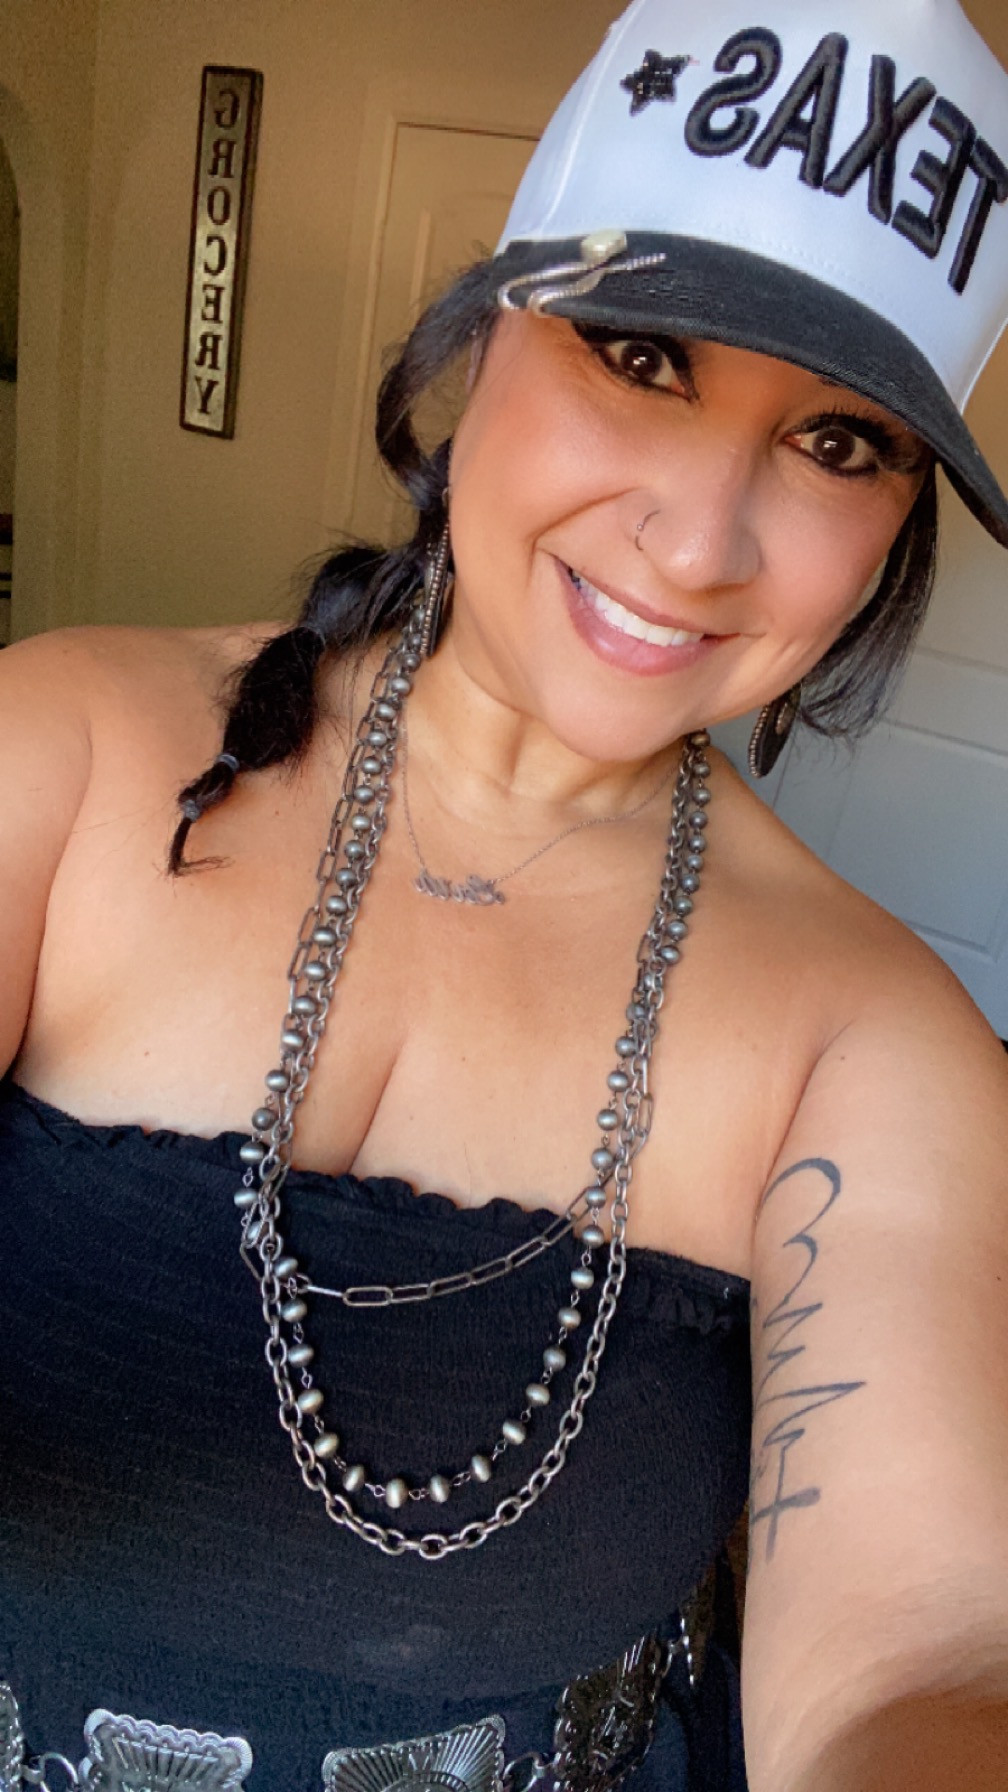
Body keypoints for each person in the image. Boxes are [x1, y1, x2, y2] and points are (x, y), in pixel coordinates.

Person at [2, 0, 1007, 1787]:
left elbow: (913, 1653)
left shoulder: (876, 1046)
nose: (699, 542)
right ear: (487, 337)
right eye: (643, 356)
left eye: (841, 444)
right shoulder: (58, 757)